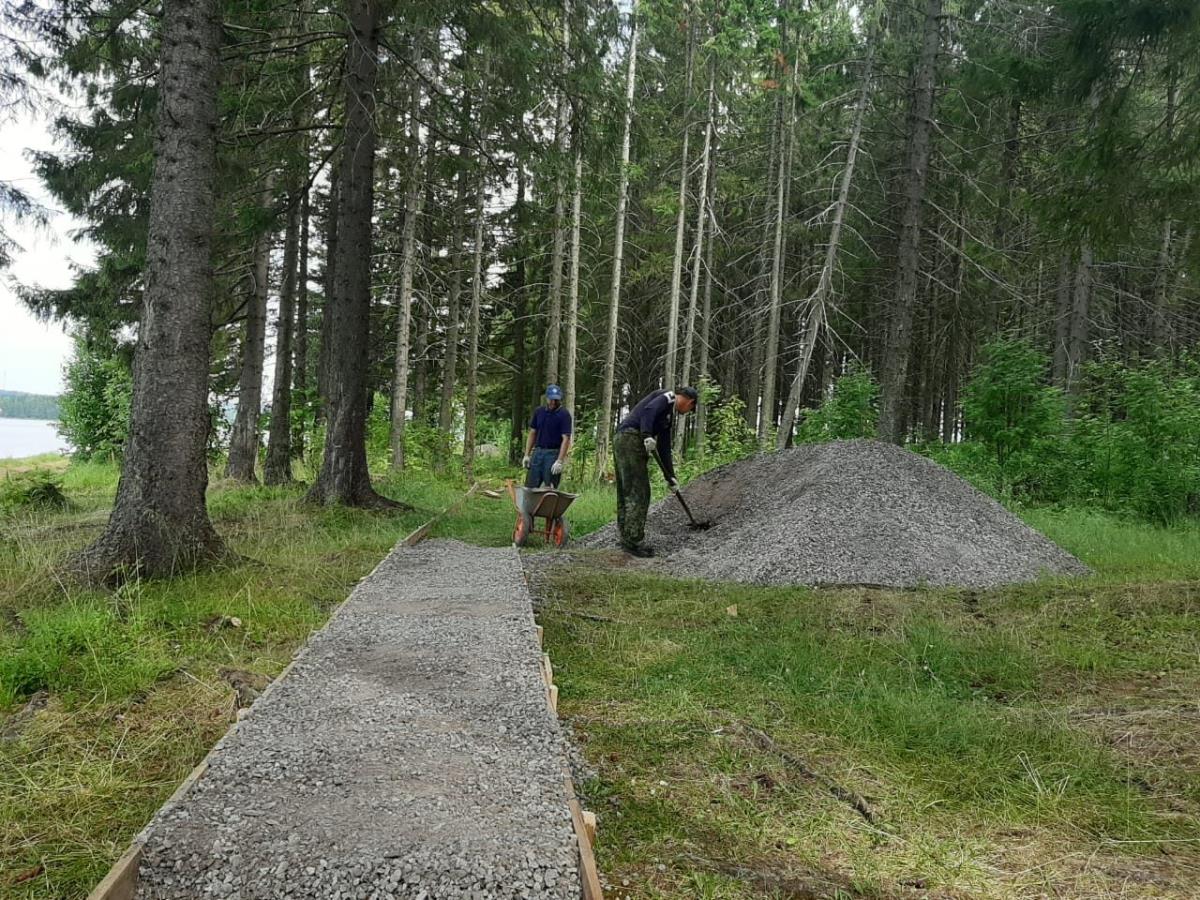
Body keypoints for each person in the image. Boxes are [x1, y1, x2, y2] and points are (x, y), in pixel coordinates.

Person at [613, 386, 698, 556]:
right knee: (639, 492)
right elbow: (648, 410)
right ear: (689, 402)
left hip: (623, 439)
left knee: (627, 490)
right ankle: (633, 541)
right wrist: (646, 434)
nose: (687, 412)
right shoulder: (669, 397)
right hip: (631, 438)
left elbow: (664, 448)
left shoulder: (667, 417)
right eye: (690, 409)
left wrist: (670, 477)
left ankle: (627, 537)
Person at [522, 384, 572, 488]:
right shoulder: (539, 412)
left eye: (556, 400)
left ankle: (549, 503)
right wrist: (527, 454)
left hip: (553, 453)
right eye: (551, 399)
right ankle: (530, 504)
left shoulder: (564, 415)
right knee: (530, 486)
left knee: (550, 487)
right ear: (547, 398)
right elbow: (532, 433)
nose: (553, 402)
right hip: (538, 452)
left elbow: (566, 439)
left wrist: (559, 460)